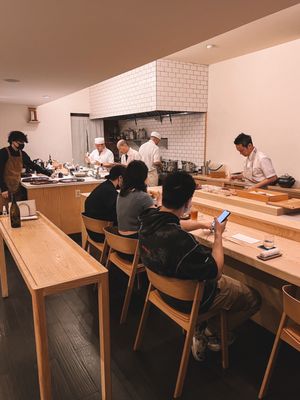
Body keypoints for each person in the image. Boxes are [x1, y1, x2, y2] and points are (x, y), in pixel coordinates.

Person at [139, 171, 261, 361]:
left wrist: (202, 224)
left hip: (162, 293)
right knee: (254, 298)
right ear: (188, 201)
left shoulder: (147, 221)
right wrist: (218, 235)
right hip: (189, 301)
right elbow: (217, 272)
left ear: (164, 193)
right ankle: (212, 331)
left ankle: (204, 326)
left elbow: (175, 223)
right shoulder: (182, 242)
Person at [0, 131, 52, 203]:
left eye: (23, 142)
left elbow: (32, 165)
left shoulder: (22, 154)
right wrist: (3, 189)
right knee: (6, 210)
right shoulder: (3, 152)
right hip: (5, 186)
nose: (22, 144)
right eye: (20, 142)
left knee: (18, 208)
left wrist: (49, 173)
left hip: (17, 185)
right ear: (13, 141)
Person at [84, 165, 126, 242]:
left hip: (91, 231)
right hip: (102, 234)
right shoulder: (110, 192)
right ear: (120, 178)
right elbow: (120, 214)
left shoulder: (104, 186)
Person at [116, 160, 155, 239]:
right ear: (143, 177)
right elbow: (157, 219)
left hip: (119, 239)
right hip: (135, 243)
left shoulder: (122, 193)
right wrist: (160, 201)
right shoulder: (143, 197)